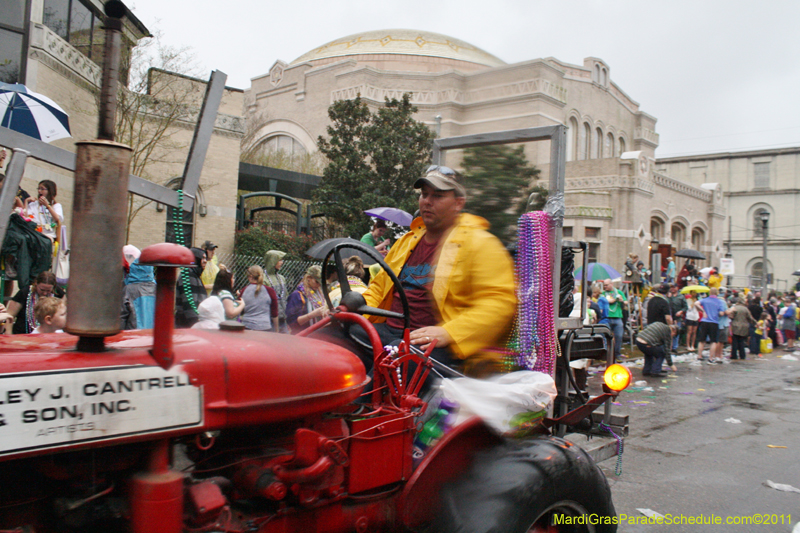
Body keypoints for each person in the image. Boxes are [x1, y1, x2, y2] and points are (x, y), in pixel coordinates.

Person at [358, 165, 516, 376]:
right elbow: (378, 288)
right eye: (424, 194)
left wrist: (449, 332)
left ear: (458, 203)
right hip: (390, 331)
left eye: (438, 196)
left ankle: (356, 405)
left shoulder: (482, 244)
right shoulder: (406, 241)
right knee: (335, 337)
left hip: (432, 342)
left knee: (390, 364)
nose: (427, 201)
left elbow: (499, 302)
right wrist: (355, 308)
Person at [287, 265, 330, 333]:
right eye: (317, 281)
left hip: (318, 334)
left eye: (320, 283)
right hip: (302, 335)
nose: (319, 285)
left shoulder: (319, 295)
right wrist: (312, 315)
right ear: (308, 278)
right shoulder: (297, 296)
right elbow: (292, 322)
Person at [175, 247, 208, 328]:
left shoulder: (194, 275)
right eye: (203, 258)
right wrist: (195, 326)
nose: (205, 261)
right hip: (186, 326)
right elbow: (190, 305)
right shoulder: (189, 276)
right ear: (196, 259)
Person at [239, 265, 279, 332]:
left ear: (250, 277)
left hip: (247, 326)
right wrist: (277, 330)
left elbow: (240, 310)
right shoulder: (270, 291)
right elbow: (274, 313)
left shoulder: (244, 290)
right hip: (264, 326)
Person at [694, 287, 727, 364]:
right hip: (714, 322)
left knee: (702, 340)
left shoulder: (705, 300)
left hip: (704, 322)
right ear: (717, 293)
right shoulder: (719, 302)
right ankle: (710, 358)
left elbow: (696, 303)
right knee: (713, 341)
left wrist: (703, 311)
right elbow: (721, 313)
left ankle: (699, 356)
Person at [123, 258, 156, 329]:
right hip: (155, 333)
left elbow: (122, 315)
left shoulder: (128, 289)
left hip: (133, 334)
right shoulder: (158, 288)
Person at [601, 279, 627, 362]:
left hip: (617, 317)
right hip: (607, 318)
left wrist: (621, 300)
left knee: (619, 336)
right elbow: (609, 301)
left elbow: (626, 302)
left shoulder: (619, 292)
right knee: (606, 337)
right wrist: (615, 299)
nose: (605, 287)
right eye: (604, 285)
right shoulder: (603, 294)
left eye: (606, 285)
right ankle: (606, 354)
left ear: (611, 284)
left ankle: (617, 353)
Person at [264, 250, 289, 332]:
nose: (281, 263)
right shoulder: (263, 279)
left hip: (283, 319)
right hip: (269, 319)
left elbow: (285, 296)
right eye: (279, 260)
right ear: (272, 261)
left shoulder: (281, 278)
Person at [667, 284, 688, 352]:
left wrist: (681, 312)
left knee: (676, 332)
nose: (672, 289)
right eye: (671, 287)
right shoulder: (668, 296)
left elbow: (685, 307)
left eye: (674, 287)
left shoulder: (681, 297)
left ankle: (674, 347)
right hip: (670, 317)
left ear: (677, 288)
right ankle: (668, 346)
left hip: (678, 317)